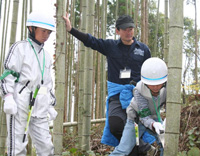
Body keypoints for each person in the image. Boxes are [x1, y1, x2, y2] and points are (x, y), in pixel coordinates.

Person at [63, 13, 151, 153]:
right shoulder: (111, 46)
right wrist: (71, 29)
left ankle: (137, 151)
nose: (129, 32)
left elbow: (150, 73)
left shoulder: (143, 49)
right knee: (115, 125)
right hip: (117, 94)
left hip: (138, 94)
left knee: (137, 126)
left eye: (131, 29)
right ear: (117, 31)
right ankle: (144, 148)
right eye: (125, 29)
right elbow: (90, 41)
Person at [0, 11, 57, 156]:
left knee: (46, 147)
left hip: (40, 105)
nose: (46, 35)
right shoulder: (19, 48)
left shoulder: (46, 56)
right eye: (43, 31)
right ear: (31, 29)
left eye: (49, 32)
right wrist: (8, 97)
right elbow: (8, 74)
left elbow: (47, 83)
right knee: (17, 147)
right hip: (20, 103)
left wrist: (50, 105)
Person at [109, 57, 167, 156]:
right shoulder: (138, 90)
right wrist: (153, 125)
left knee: (165, 144)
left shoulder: (168, 88)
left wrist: (162, 123)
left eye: (158, 84)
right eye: (152, 84)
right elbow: (144, 116)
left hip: (154, 117)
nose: (155, 87)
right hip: (135, 120)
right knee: (124, 149)